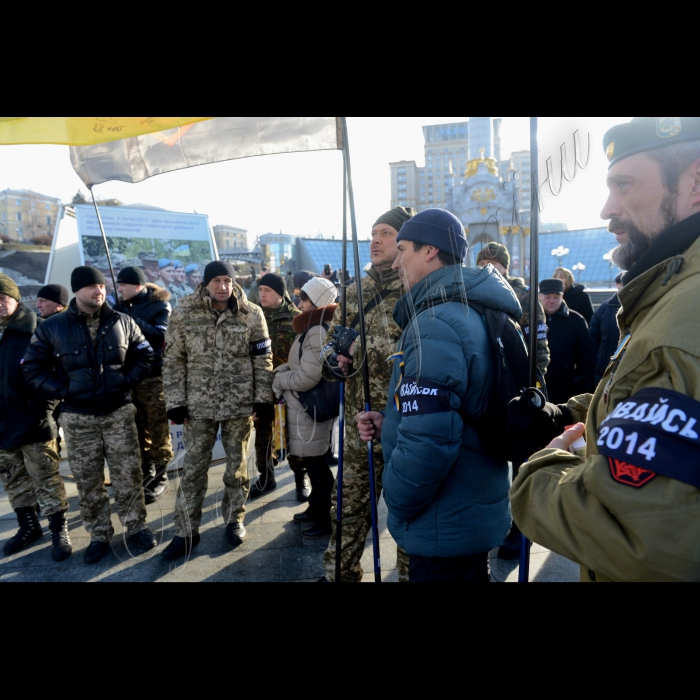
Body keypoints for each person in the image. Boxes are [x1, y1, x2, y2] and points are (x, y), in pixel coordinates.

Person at [509, 116, 700, 582]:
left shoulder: (683, 318)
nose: (606, 209)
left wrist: (538, 472)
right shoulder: (670, 294)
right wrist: (571, 414)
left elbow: (641, 537)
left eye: (624, 185)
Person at [357, 209, 520, 583]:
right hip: (473, 506)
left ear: (430, 250)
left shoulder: (435, 323)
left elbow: (429, 442)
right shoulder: (471, 309)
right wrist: (391, 422)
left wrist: (396, 500)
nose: (396, 261)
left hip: (442, 521)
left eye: (403, 249)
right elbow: (457, 409)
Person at [22, 266, 157, 566]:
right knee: (88, 480)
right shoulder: (52, 327)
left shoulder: (123, 321)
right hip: (78, 416)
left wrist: (126, 381)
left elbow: (145, 354)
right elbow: (31, 367)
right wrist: (64, 389)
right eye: (91, 287)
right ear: (76, 291)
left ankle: (136, 527)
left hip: (119, 412)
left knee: (128, 475)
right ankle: (99, 534)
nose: (99, 291)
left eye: (102, 286)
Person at [319, 206, 416, 584]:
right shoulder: (354, 291)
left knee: (408, 511)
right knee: (346, 508)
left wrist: (357, 347)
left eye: (386, 233)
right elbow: (332, 341)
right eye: (373, 233)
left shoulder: (417, 286)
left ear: (407, 242)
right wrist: (333, 360)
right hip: (358, 426)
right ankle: (338, 574)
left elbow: (413, 348)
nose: (375, 240)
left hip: (404, 422)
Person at [161, 261, 273, 561]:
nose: (222, 286)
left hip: (239, 404)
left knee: (237, 467)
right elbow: (173, 360)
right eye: (216, 281)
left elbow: (263, 359)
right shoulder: (184, 312)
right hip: (198, 406)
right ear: (205, 282)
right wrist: (175, 401)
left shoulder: (251, 313)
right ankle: (185, 530)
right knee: (193, 470)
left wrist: (263, 399)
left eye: (227, 280)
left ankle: (234, 519)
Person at [0, 274, 71, 562]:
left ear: (16, 299)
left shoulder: (38, 330)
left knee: (46, 478)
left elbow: (58, 375)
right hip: (2, 425)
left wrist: (42, 408)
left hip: (34, 421)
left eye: (2, 298)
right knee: (13, 479)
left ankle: (58, 529)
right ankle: (28, 526)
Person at [273, 277, 338, 538]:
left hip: (308, 411)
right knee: (314, 465)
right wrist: (285, 368)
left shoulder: (317, 330)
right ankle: (315, 509)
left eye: (304, 299)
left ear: (318, 302)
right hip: (305, 410)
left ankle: (325, 518)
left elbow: (307, 377)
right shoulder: (312, 328)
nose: (298, 303)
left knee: (318, 468)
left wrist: (279, 379)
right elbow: (302, 366)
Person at [114, 266, 174, 505]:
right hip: (128, 377)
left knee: (157, 426)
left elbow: (160, 336)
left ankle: (161, 474)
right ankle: (146, 471)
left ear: (137, 285)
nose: (119, 289)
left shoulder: (160, 305)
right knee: (136, 427)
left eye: (123, 285)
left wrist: (131, 320)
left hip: (153, 376)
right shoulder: (119, 306)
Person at [249, 272, 310, 501]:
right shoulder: (253, 316)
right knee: (263, 435)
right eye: (261, 290)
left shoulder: (296, 318)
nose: (262, 294)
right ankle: (266, 477)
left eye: (268, 291)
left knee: (295, 434)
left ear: (280, 293)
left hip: (289, 387)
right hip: (262, 388)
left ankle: (300, 477)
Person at [476, 243, 550, 375]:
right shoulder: (474, 294)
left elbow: (538, 346)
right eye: (481, 263)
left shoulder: (524, 296)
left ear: (505, 268)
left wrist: (535, 382)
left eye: (491, 263)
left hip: (514, 373)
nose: (484, 267)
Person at [539, 278, 596, 405]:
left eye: (556, 296)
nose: (552, 301)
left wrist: (581, 384)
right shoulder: (529, 320)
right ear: (539, 296)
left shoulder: (576, 320)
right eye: (548, 297)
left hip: (566, 389)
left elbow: (587, 355)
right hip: (537, 386)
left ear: (562, 296)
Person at [589, 273, 624, 383]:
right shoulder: (604, 309)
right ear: (617, 285)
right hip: (604, 371)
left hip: (630, 369)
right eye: (623, 283)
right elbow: (592, 339)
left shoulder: (642, 307)